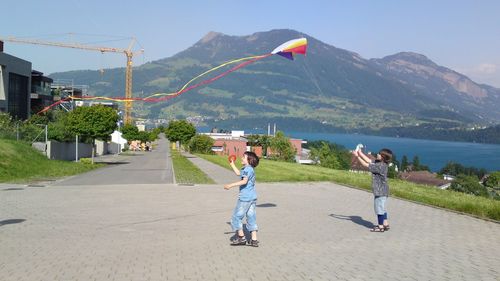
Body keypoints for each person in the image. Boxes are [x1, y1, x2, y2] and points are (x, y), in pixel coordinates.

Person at [224, 151, 260, 247]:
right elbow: (238, 173)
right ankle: (254, 240)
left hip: (245, 198)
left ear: (249, 160)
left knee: (236, 217)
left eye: (244, 157)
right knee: (251, 217)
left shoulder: (248, 169)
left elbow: (244, 181)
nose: (241, 158)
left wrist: (230, 185)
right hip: (252, 198)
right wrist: (232, 164)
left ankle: (241, 238)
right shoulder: (248, 169)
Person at [353, 147, 393, 232]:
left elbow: (365, 164)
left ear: (382, 157)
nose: (377, 154)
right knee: (382, 208)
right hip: (384, 191)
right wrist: (361, 153)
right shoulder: (382, 164)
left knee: (379, 209)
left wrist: (357, 156)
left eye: (379, 154)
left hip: (380, 191)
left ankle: (380, 227)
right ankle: (385, 224)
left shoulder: (379, 166)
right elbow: (369, 160)